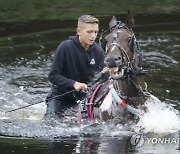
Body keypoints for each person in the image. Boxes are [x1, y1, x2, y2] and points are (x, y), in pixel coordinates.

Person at [44, 15, 106, 119]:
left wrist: (108, 72)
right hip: (61, 95)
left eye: (95, 32)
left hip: (83, 98)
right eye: (89, 32)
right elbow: (53, 76)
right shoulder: (65, 47)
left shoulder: (98, 51)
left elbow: (103, 78)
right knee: (51, 120)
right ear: (79, 31)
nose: (93, 36)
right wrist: (74, 84)